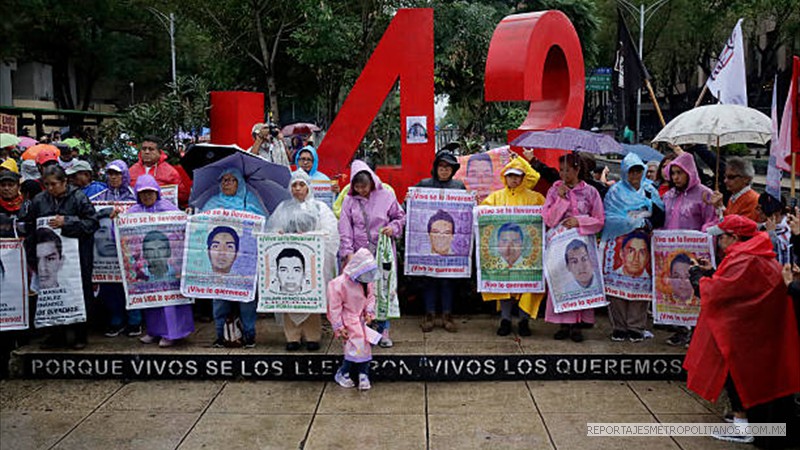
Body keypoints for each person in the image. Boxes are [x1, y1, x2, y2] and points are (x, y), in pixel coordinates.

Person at [684, 215, 800, 445]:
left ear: (734, 237)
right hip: (757, 333)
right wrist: (711, 273)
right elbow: (734, 287)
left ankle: (742, 425)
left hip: (743, 334)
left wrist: (698, 277)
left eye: (721, 237)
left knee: (737, 378)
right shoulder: (758, 255)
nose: (718, 242)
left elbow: (719, 292)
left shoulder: (745, 259)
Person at [24, 164, 98, 349]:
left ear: (65, 182)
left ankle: (80, 334)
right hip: (47, 258)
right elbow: (30, 226)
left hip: (78, 256)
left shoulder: (79, 197)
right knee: (51, 292)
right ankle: (56, 335)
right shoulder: (39, 201)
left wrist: (67, 221)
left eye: (54, 184)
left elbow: (92, 223)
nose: (50, 188)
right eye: (46, 184)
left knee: (79, 291)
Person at [268, 170, 340, 351]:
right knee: (288, 298)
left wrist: (309, 236)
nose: (298, 189)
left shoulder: (319, 208)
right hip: (287, 263)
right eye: (294, 185)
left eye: (301, 185)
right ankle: (292, 337)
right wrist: (278, 235)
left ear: (308, 187)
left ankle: (312, 337)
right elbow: (272, 231)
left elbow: (330, 233)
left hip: (311, 264)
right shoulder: (283, 208)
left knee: (310, 295)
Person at [195, 169, 266, 349]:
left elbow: (262, 222)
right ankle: (221, 335)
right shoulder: (212, 203)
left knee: (246, 301)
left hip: (244, 262)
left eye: (231, 180)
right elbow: (200, 225)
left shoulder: (249, 201)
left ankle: (249, 335)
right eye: (224, 180)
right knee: (219, 300)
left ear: (239, 184)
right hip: (219, 264)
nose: (226, 183)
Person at [338, 159, 405, 347]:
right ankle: (361, 331)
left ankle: (383, 330)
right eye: (358, 187)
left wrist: (393, 227)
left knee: (382, 291)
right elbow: (345, 228)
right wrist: (348, 252)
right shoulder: (349, 201)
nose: (362, 191)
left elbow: (400, 217)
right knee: (358, 294)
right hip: (358, 255)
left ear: (372, 181)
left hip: (382, 252)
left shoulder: (386, 196)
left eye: (365, 186)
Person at [543, 153, 605, 342]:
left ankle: (577, 324)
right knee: (562, 280)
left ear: (577, 170)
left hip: (583, 244)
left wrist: (578, 221)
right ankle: (564, 324)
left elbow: (599, 220)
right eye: (561, 170)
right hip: (559, 245)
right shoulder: (554, 191)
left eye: (567, 170)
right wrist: (561, 200)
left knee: (581, 279)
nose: (563, 174)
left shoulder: (590, 192)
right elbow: (549, 219)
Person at [602, 153, 664, 342]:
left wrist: (647, 220)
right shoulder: (615, 192)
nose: (635, 175)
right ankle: (619, 327)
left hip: (643, 242)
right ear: (624, 172)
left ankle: (636, 327)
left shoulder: (649, 190)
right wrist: (630, 222)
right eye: (631, 171)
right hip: (619, 242)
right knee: (617, 289)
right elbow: (609, 217)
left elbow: (660, 215)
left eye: (638, 170)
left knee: (640, 289)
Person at [481, 155, 545, 337]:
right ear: (504, 177)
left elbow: (545, 217)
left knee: (527, 286)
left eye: (518, 175)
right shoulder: (495, 197)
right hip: (504, 252)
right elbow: (483, 217)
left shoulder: (536, 198)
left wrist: (523, 159)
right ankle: (506, 319)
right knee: (505, 285)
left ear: (524, 177)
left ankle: (524, 320)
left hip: (527, 252)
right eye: (510, 175)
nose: (514, 179)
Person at [128, 175, 194, 348]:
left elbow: (183, 227)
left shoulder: (167, 207)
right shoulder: (133, 211)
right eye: (143, 193)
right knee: (151, 300)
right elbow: (120, 234)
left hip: (169, 266)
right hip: (148, 266)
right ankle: (154, 331)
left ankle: (172, 333)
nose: (147, 196)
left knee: (170, 301)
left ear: (157, 192)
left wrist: (186, 217)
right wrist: (116, 220)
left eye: (150, 192)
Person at [662, 152, 718, 346]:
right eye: (673, 173)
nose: (676, 177)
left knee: (694, 290)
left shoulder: (704, 194)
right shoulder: (668, 195)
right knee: (675, 290)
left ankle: (695, 332)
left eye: (680, 173)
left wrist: (699, 236)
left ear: (690, 172)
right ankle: (679, 330)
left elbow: (711, 221)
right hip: (671, 254)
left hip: (695, 255)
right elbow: (663, 221)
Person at [413, 149, 466, 332]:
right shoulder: (424, 184)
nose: (444, 170)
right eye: (441, 166)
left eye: (448, 167)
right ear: (435, 168)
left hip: (448, 247)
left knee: (447, 280)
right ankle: (429, 314)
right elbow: (412, 210)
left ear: (453, 169)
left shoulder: (459, 187)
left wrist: (471, 201)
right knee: (429, 280)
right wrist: (408, 201)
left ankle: (447, 315)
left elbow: (464, 214)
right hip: (429, 247)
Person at [327, 248, 382, 390]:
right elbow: (334, 308)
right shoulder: (338, 284)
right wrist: (339, 327)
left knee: (365, 348)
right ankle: (344, 372)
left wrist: (369, 312)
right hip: (348, 321)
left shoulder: (366, 281)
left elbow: (370, 297)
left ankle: (363, 373)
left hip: (361, 320)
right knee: (353, 348)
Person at [128, 135, 189, 206]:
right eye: (144, 149)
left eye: (151, 149)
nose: (147, 152)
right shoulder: (132, 170)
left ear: (159, 152)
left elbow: (183, 196)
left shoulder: (170, 172)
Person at [710, 157, 759, 221]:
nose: (725, 181)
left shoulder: (753, 200)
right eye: (725, 177)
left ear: (746, 179)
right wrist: (719, 206)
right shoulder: (734, 196)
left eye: (731, 177)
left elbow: (739, 227)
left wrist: (720, 206)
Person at [755, 192, 790, 264]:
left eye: (762, 211)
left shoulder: (787, 236)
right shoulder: (760, 227)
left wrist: (770, 235)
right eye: (758, 208)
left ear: (776, 213)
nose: (758, 213)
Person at [0, 169, 23, 238]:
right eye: (3, 185)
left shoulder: (27, 206)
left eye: (11, 185)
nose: (6, 188)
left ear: (19, 187)